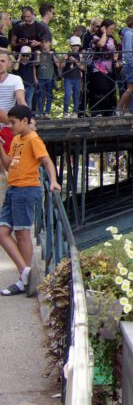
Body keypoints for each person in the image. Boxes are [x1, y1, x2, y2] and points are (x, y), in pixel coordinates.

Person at [0, 104, 60, 296]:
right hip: (13, 188)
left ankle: (25, 279)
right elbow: (9, 165)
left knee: (22, 233)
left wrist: (53, 181)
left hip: (26, 188)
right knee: (3, 232)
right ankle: (25, 271)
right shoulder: (17, 139)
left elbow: (46, 160)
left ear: (25, 121)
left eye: (13, 122)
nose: (10, 126)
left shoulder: (33, 139)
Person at [61, 37, 85, 118]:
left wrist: (75, 61)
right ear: (70, 46)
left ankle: (75, 112)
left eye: (77, 45)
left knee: (76, 95)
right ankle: (65, 112)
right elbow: (62, 66)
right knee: (67, 95)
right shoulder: (66, 54)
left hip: (77, 78)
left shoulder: (80, 55)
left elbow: (83, 67)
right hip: (67, 77)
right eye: (74, 45)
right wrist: (64, 59)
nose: (76, 47)